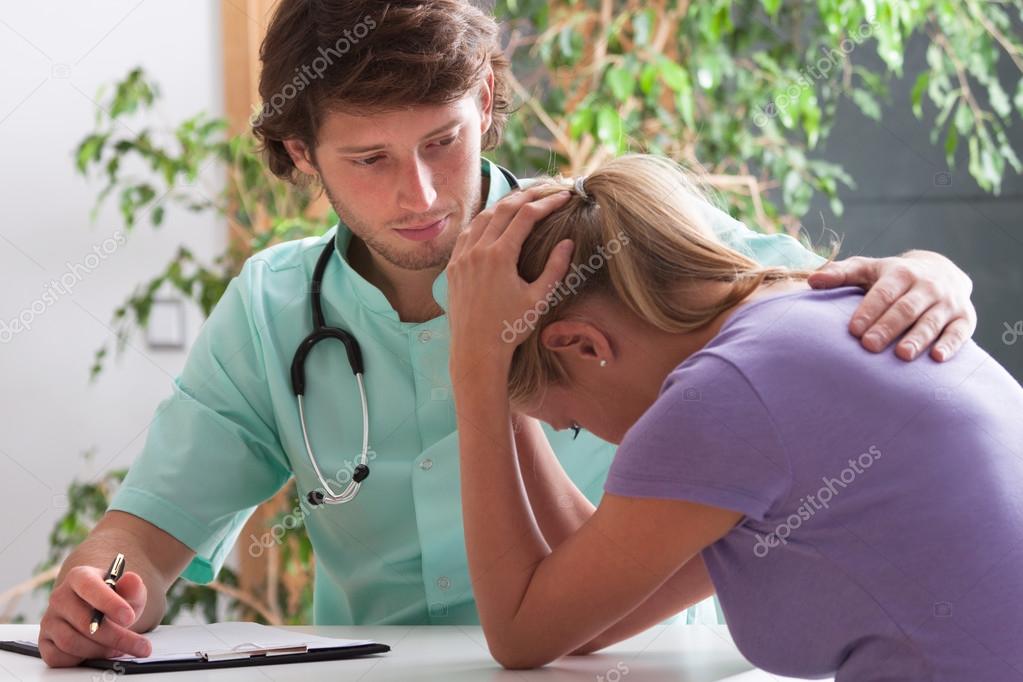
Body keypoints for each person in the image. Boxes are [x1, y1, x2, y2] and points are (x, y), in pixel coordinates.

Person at [39, 0, 979, 668]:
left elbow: (792, 307)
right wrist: (103, 585)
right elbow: (149, 532)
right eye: (367, 160)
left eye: (442, 141)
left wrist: (932, 271)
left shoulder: (610, 245)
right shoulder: (269, 309)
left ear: (486, 102)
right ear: (298, 154)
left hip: (634, 666)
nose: (418, 197)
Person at [446, 154, 1023, 678]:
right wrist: (498, 358)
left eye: (567, 421)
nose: (580, 431)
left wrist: (475, 366)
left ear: (584, 345)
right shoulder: (822, 313)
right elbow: (592, 611)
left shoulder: (721, 394)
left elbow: (522, 634)